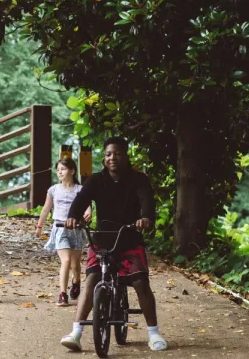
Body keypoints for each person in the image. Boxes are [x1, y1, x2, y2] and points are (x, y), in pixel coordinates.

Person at [60, 137, 168, 352]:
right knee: (91, 279)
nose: (112, 158)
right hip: (102, 239)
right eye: (108, 154)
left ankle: (154, 333)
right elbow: (81, 200)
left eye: (117, 154)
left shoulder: (138, 179)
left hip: (129, 238)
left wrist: (145, 218)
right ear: (104, 157)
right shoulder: (95, 180)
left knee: (140, 283)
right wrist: (73, 217)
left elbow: (146, 199)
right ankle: (76, 332)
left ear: (126, 156)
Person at [36, 158, 92, 306]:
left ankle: (76, 281)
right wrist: (39, 226)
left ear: (72, 171)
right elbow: (46, 209)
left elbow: (87, 206)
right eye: (58, 169)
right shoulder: (53, 190)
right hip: (60, 229)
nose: (60, 172)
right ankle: (62, 293)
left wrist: (88, 212)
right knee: (66, 260)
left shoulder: (80, 190)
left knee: (75, 263)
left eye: (63, 169)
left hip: (77, 229)